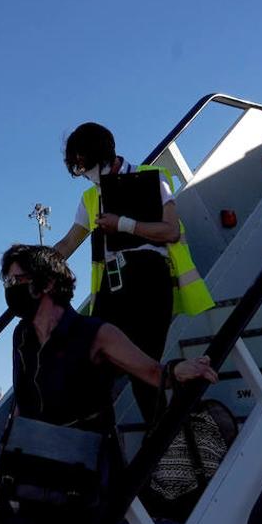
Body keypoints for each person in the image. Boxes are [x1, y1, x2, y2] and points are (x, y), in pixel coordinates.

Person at [0, 243, 217, 524]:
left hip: (85, 476)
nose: (11, 289)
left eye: (18, 280)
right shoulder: (20, 339)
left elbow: (152, 372)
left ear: (49, 283)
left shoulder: (96, 333)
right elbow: (23, 405)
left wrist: (183, 369)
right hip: (40, 472)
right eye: (7, 282)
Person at [51, 122, 196, 422]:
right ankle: (105, 454)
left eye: (83, 165)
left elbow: (170, 231)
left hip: (149, 277)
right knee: (91, 362)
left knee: (144, 371)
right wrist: (35, 264)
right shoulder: (90, 198)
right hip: (112, 286)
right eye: (77, 169)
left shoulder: (151, 179)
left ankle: (168, 448)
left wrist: (123, 225)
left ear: (102, 155)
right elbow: (68, 242)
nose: (83, 174)